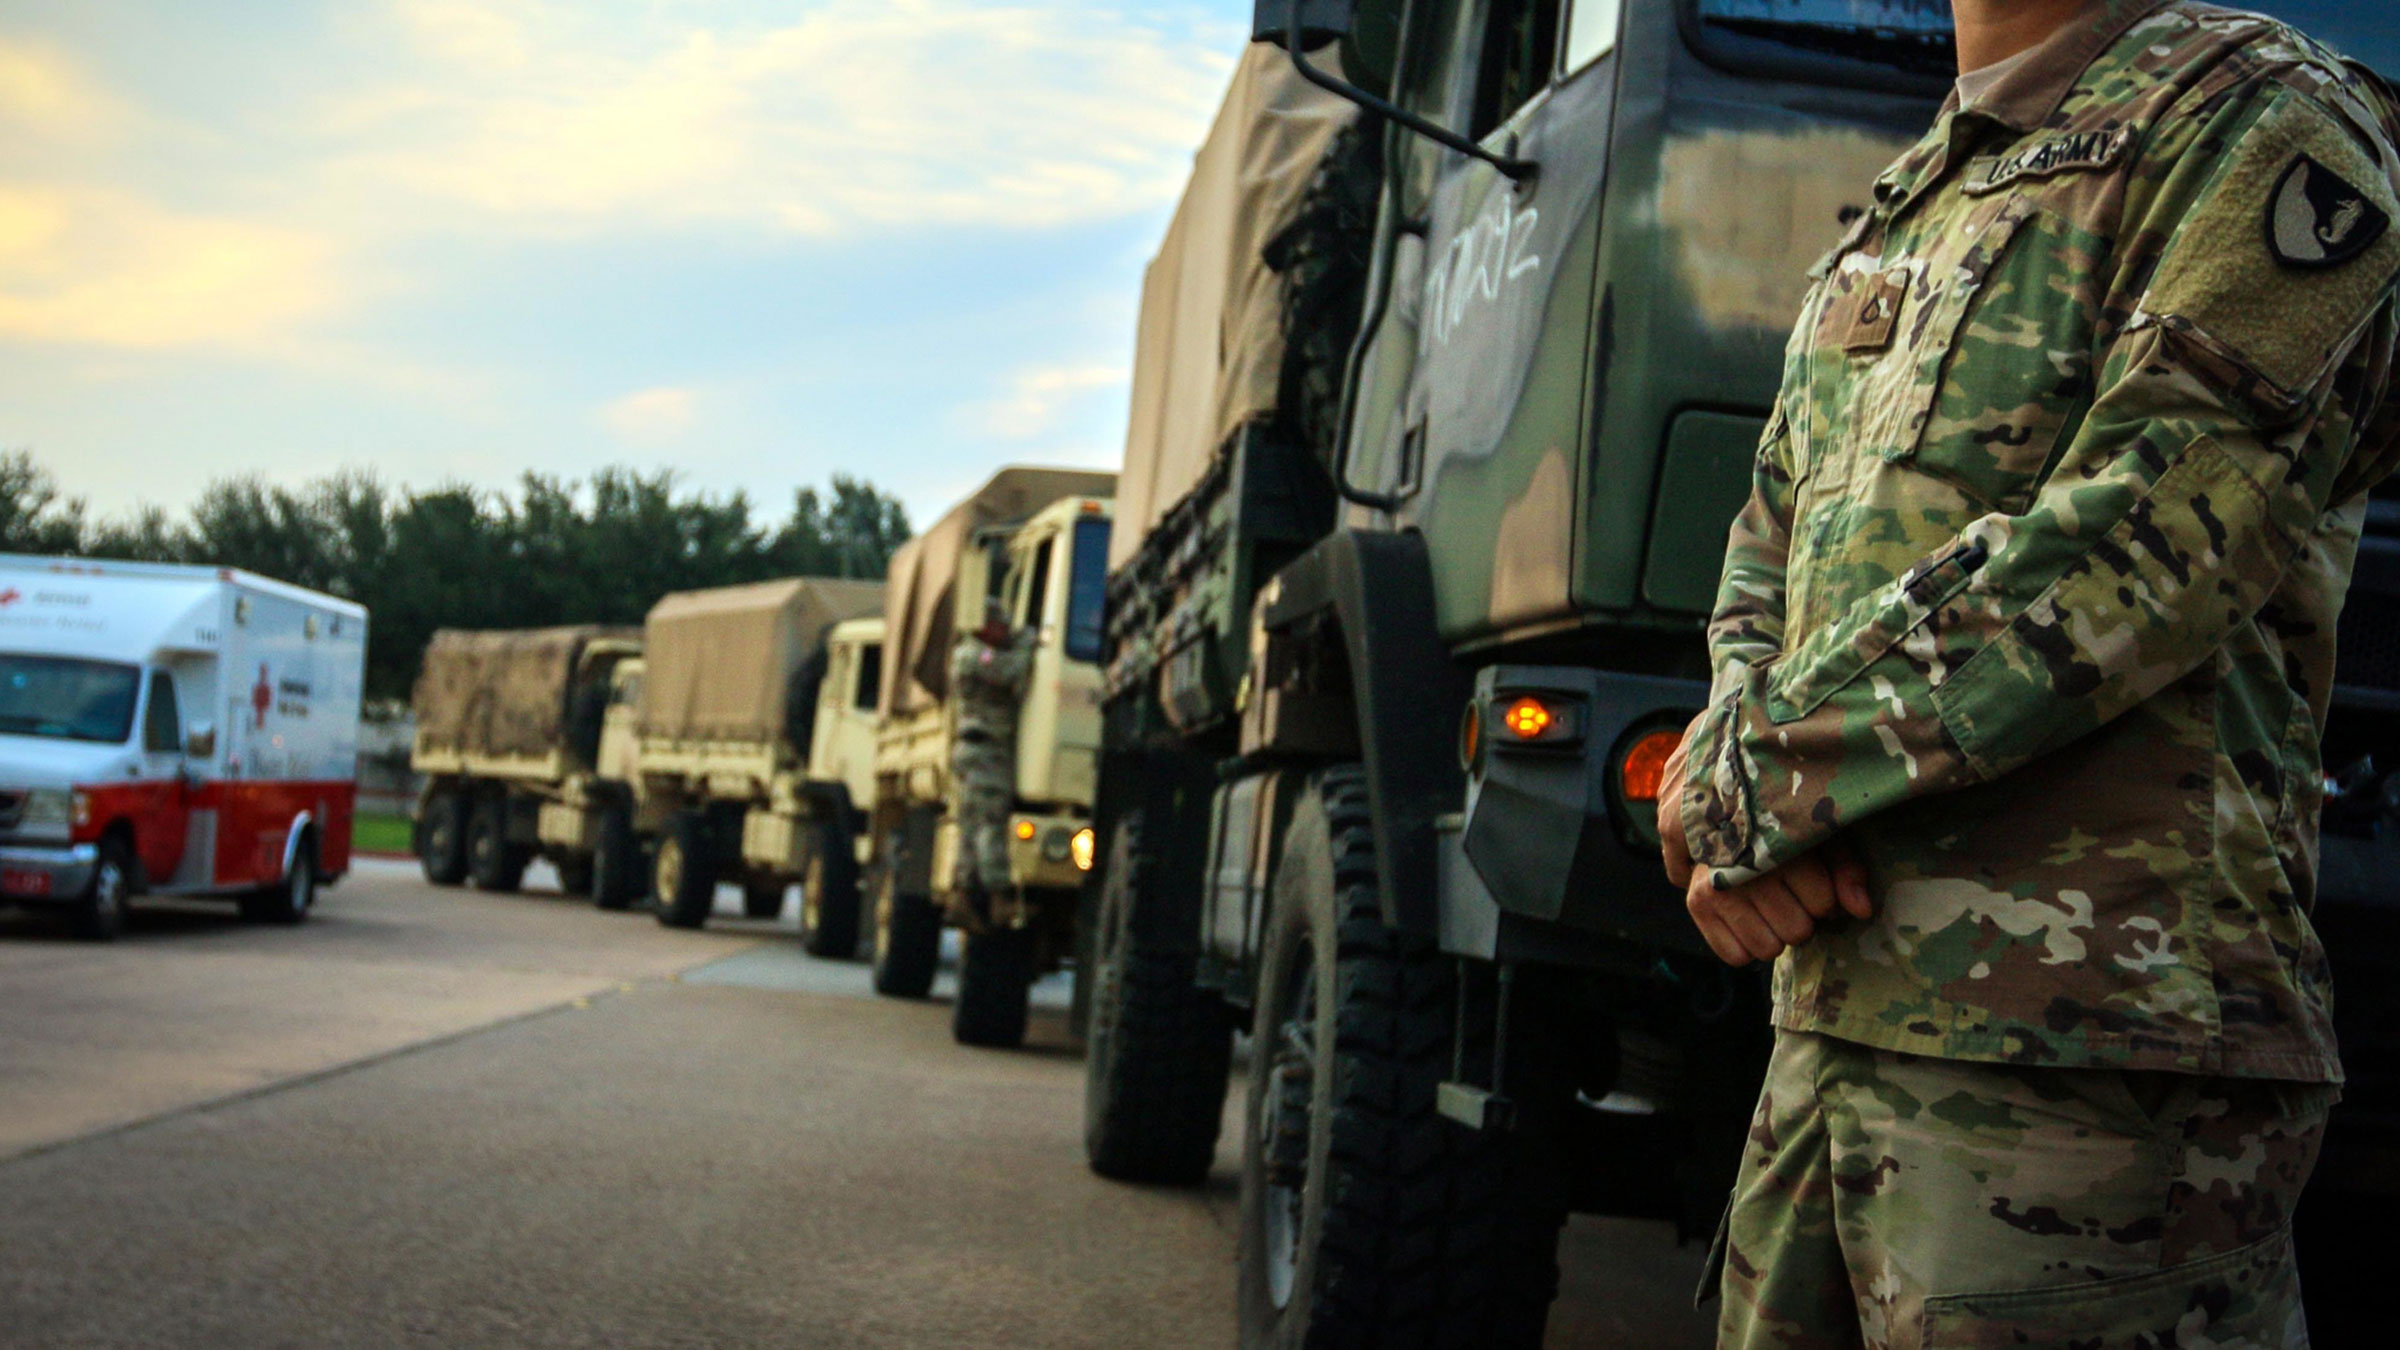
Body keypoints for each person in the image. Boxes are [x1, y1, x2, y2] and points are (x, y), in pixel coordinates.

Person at [1655, 0, 2400, 1343]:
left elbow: (2147, 535)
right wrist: (1736, 771)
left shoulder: (2262, 121)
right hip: (1833, 1035)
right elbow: (1772, 530)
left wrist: (1750, 783)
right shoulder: (1916, 192)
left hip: (2094, 1074)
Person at [950, 598, 1030, 923]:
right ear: (985, 626)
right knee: (990, 826)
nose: (1006, 630)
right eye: (1001, 624)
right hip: (986, 752)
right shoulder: (973, 655)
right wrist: (1028, 644)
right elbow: (1010, 670)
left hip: (978, 750)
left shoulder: (977, 652)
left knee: (971, 828)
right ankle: (998, 899)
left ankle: (962, 898)